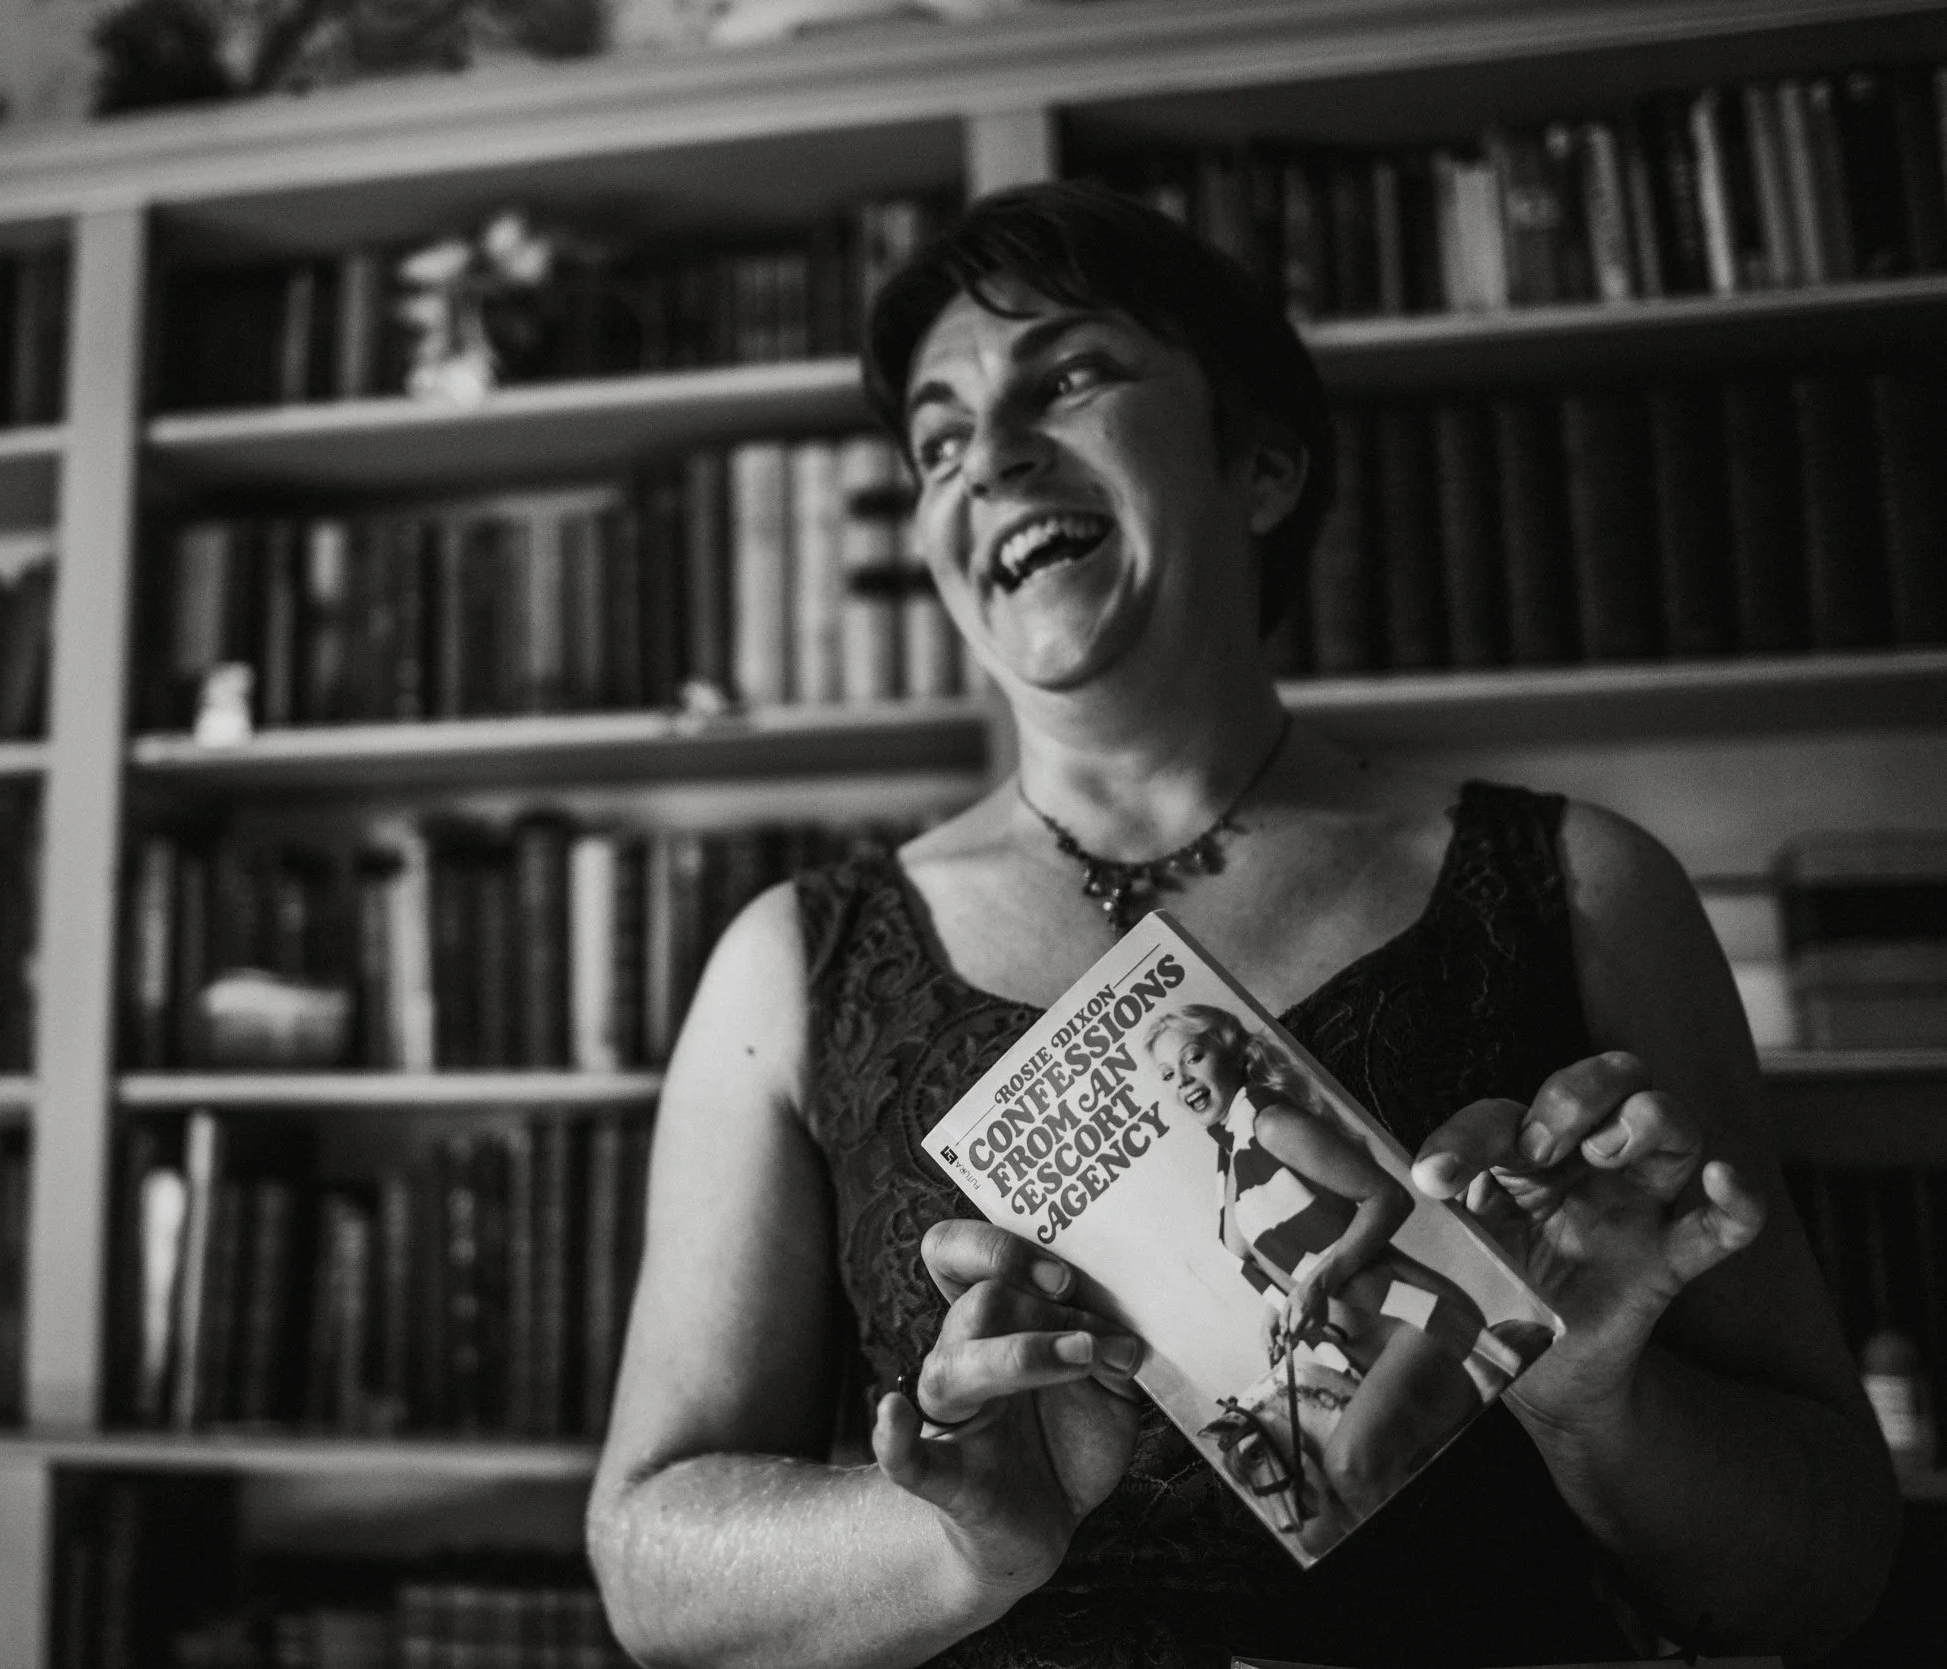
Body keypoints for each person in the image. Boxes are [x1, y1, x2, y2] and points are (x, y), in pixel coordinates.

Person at [584, 180, 1896, 1667]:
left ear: (1263, 464)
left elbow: (1831, 1568)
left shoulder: (1589, 886)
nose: (986, 460)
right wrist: (952, 1545)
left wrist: (1604, 1398)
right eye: (937, 439)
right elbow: (649, 1566)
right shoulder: (788, 964)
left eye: (1070, 377)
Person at [1145, 1002, 1538, 1536]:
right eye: (1168, 1074)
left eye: (1193, 1057)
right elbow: (1269, 1251)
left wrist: (1317, 1282)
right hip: (1367, 1352)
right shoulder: (1230, 1156)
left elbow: (1387, 1198)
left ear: (1232, 1051)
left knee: (1352, 1468)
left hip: (1419, 1319)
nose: (1181, 1079)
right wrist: (1274, 1304)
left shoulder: (1272, 1123)